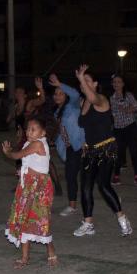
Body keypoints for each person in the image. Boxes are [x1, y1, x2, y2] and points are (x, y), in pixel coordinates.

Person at [73, 65, 133, 237]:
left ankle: (122, 218)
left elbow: (91, 96)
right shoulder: (84, 102)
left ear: (96, 84)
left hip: (106, 148)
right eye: (82, 82)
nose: (84, 84)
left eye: (88, 81)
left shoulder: (101, 99)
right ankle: (88, 223)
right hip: (90, 150)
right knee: (85, 187)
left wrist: (81, 78)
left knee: (103, 185)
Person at [2, 116, 58, 269]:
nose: (29, 132)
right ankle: (25, 257)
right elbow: (30, 162)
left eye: (33, 129)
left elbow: (18, 155)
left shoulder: (38, 144)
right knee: (23, 219)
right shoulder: (29, 143)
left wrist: (8, 152)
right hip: (27, 187)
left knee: (40, 220)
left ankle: (51, 249)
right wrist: (22, 171)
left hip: (39, 188)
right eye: (28, 129)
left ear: (43, 133)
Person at [49, 73, 85, 217]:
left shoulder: (73, 105)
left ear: (66, 96)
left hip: (82, 146)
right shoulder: (57, 112)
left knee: (91, 175)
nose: (57, 96)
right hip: (69, 149)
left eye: (60, 93)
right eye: (55, 94)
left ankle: (111, 195)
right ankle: (72, 205)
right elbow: (59, 131)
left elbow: (75, 93)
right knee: (70, 177)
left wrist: (59, 83)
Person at [109, 74, 137, 186]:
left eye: (118, 82)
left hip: (130, 127)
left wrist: (130, 109)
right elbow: (114, 112)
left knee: (134, 152)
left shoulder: (128, 95)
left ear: (123, 84)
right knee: (118, 153)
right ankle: (116, 176)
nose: (116, 84)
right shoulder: (111, 98)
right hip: (118, 129)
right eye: (114, 82)